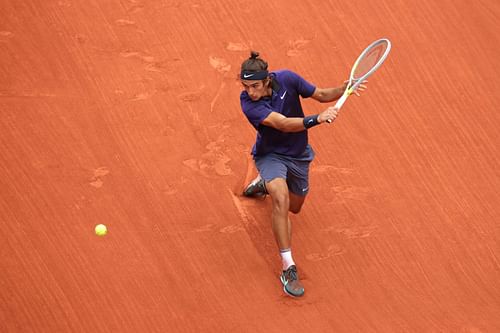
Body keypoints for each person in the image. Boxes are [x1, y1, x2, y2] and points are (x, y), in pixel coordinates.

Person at [239, 51, 366, 297]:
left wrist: (344, 88)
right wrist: (317, 119)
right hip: (271, 155)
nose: (250, 92)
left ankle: (264, 185)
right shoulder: (248, 104)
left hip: (298, 155)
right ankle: (288, 267)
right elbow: (283, 124)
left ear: (267, 80)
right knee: (281, 198)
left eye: (254, 85)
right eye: (246, 86)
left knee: (294, 208)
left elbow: (320, 95)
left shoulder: (288, 78)